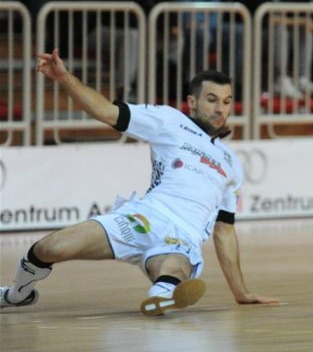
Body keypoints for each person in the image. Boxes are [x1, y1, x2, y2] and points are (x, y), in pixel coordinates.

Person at [0, 51, 278, 315]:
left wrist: (241, 292)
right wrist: (65, 78)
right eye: (212, 100)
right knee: (50, 248)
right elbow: (106, 112)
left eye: (227, 102)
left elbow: (225, 231)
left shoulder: (231, 163)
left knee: (174, 265)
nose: (221, 109)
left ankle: (161, 295)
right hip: (141, 217)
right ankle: (17, 294)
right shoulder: (169, 121)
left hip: (182, 238)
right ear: (192, 102)